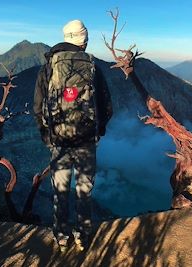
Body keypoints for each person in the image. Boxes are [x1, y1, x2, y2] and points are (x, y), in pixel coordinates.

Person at [33, 19, 112, 251]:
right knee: (84, 191)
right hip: (86, 141)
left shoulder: (49, 66)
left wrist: (46, 134)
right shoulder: (91, 66)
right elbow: (106, 105)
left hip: (59, 141)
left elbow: (37, 107)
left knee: (60, 191)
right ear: (83, 39)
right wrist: (99, 129)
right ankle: (82, 236)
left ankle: (61, 236)